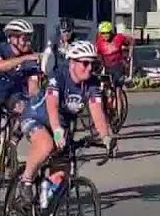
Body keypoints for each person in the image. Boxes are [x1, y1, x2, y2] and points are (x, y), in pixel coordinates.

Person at [15, 40, 117, 206]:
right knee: (46, 145)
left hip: (62, 124)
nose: (90, 68)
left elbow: (97, 110)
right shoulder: (59, 76)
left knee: (63, 173)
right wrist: (56, 130)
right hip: (36, 116)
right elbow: (52, 105)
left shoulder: (92, 84)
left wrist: (106, 137)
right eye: (85, 63)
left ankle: (45, 204)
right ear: (72, 63)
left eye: (93, 64)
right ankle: (26, 180)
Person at [0, 19, 42, 192]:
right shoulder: (0, 49)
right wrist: (25, 57)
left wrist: (36, 100)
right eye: (24, 38)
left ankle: (12, 141)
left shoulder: (30, 58)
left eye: (29, 38)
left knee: (26, 109)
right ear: (12, 39)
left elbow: (33, 86)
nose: (28, 42)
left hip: (13, 95)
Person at [94, 20, 132, 88]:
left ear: (111, 32)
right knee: (105, 87)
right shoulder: (99, 42)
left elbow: (131, 42)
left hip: (118, 66)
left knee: (117, 86)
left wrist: (129, 56)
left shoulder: (119, 37)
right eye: (103, 33)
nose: (105, 35)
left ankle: (118, 97)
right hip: (106, 67)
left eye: (107, 33)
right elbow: (97, 55)